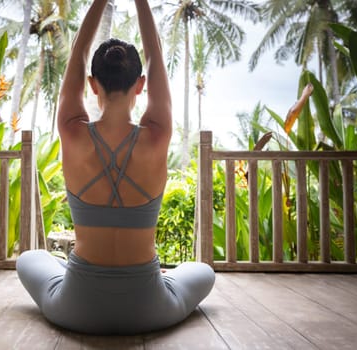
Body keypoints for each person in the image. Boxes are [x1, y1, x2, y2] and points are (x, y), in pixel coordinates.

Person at [16, 0, 214, 335]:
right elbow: (155, 56)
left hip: (76, 308)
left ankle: (71, 272)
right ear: (141, 84)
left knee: (29, 258)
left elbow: (77, 58)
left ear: (93, 85)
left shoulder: (71, 130)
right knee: (202, 270)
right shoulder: (158, 135)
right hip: (149, 307)